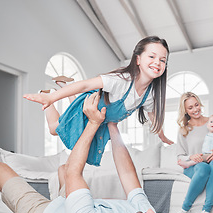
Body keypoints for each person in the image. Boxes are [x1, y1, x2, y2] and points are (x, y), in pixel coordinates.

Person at [0, 92, 182, 213]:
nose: (150, 210)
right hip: (76, 211)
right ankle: (64, 199)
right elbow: (127, 174)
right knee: (62, 169)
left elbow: (74, 173)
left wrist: (94, 122)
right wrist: (112, 125)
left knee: (1, 169)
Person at [23, 36, 173, 166]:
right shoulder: (121, 80)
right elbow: (85, 85)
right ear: (138, 59)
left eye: (162, 60)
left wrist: (162, 135)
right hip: (88, 108)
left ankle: (64, 85)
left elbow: (152, 114)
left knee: (82, 147)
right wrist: (51, 98)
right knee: (53, 129)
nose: (157, 63)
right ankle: (46, 93)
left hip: (100, 120)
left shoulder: (150, 94)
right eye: (152, 57)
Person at [172, 92, 213, 213]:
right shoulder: (184, 129)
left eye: (196, 105)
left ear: (200, 103)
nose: (195, 109)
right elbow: (180, 156)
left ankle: (206, 212)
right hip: (194, 167)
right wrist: (191, 157)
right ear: (185, 111)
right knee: (204, 167)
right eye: (190, 107)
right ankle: (184, 210)